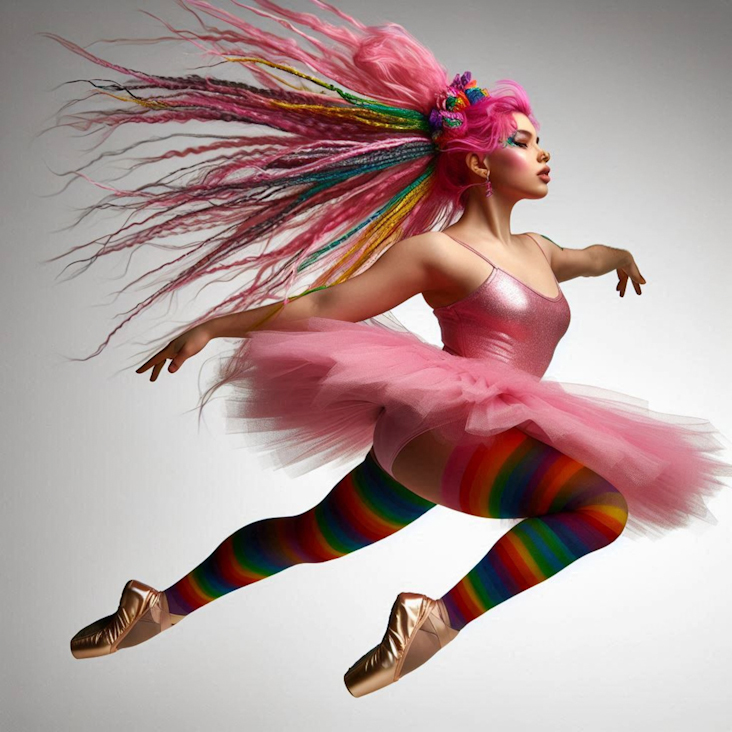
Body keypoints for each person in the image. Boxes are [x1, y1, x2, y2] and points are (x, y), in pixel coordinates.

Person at [50, 0, 731, 697]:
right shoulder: (443, 254)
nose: (542, 151)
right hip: (451, 425)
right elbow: (324, 305)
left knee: (309, 538)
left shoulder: (538, 251)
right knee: (598, 509)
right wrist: (214, 326)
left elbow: (581, 256)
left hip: (452, 443)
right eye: (523, 141)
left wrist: (613, 256)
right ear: (478, 163)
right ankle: (437, 619)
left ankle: (159, 607)